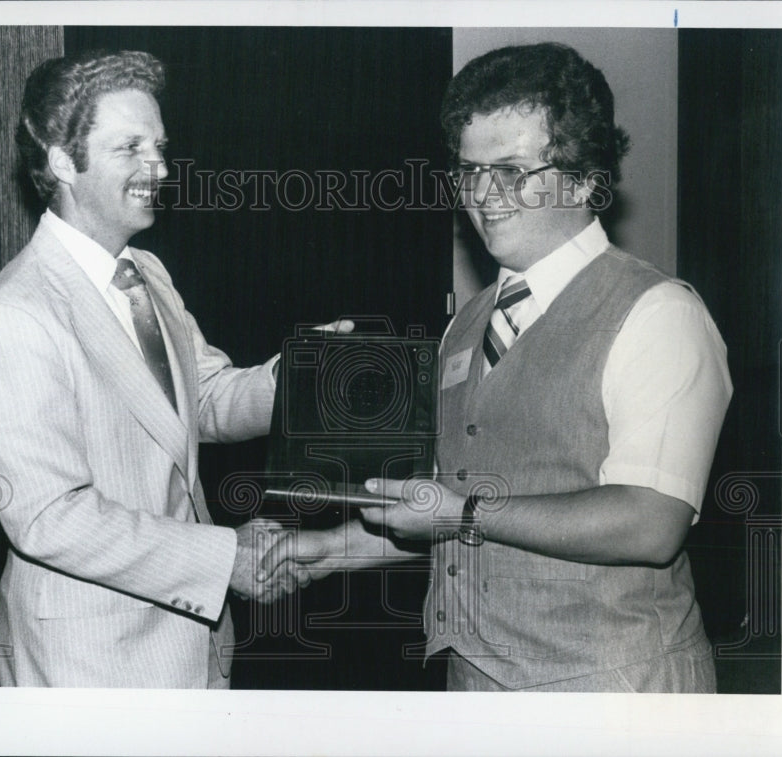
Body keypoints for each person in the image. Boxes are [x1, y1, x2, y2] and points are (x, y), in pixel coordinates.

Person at [263, 43, 732, 692]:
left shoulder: (658, 313)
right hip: (473, 679)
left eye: (511, 170)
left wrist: (460, 514)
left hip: (613, 688)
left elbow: (651, 521)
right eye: (468, 172)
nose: (483, 196)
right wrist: (324, 551)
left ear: (583, 175)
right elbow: (441, 500)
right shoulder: (468, 321)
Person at [0, 50, 331, 688]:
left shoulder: (147, 273)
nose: (158, 166)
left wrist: (304, 376)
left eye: (159, 145)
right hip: (90, 664)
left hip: (192, 648)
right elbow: (48, 518)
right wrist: (223, 558)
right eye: (129, 147)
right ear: (59, 161)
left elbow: (206, 399)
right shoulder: (16, 316)